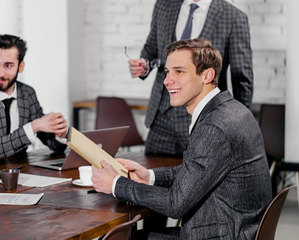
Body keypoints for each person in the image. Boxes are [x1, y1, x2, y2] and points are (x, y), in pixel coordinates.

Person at [93, 39, 271, 239]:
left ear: (207, 75)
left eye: (179, 71)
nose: (167, 80)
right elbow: (197, 170)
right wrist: (149, 176)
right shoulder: (234, 110)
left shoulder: (214, 127)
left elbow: (174, 204)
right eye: (168, 72)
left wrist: (116, 184)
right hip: (235, 229)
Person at [129, 0, 253, 157]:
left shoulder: (234, 17)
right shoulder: (164, 5)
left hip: (207, 119)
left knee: (199, 178)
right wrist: (144, 64)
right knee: (151, 176)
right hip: (161, 118)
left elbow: (241, 79)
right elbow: (151, 48)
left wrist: (238, 127)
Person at [0, 34, 68, 166]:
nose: (0, 73)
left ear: (20, 67)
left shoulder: (27, 93)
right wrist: (33, 126)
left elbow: (53, 144)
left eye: (8, 65)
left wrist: (60, 133)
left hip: (16, 172)